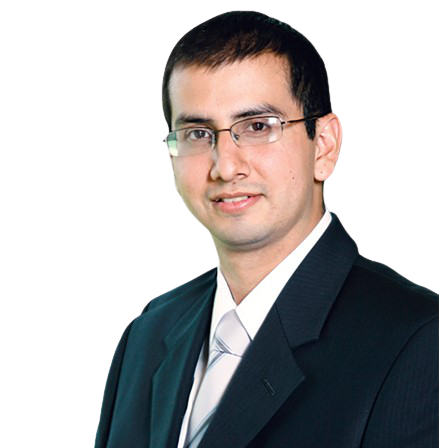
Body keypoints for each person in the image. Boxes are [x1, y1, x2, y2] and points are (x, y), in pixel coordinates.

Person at [95, 11, 438, 448]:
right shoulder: (146, 335)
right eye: (198, 133)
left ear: (324, 146)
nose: (225, 167)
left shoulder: (419, 340)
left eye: (257, 127)